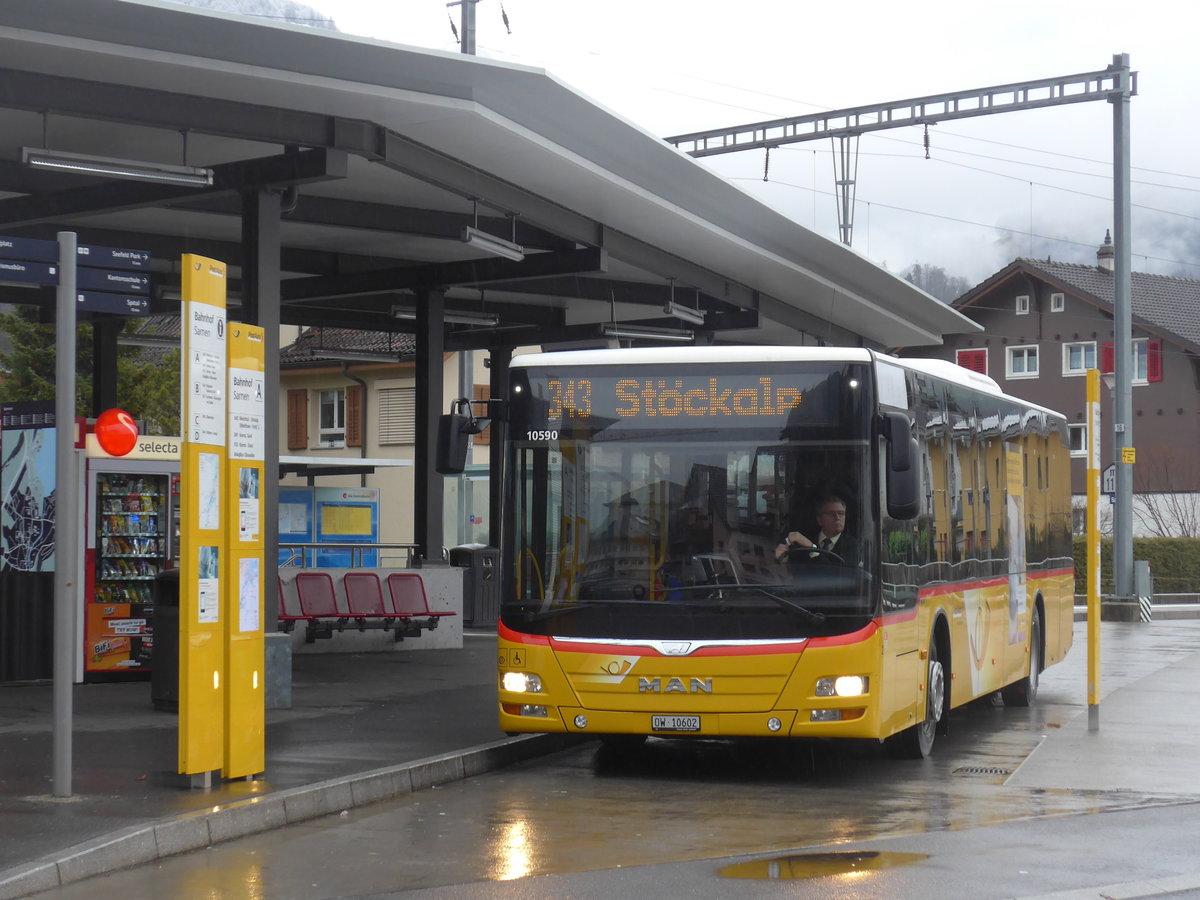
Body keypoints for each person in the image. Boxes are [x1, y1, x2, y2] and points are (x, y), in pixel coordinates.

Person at [774, 494, 859, 569]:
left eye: (841, 513)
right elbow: (793, 570)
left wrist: (812, 548)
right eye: (831, 514)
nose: (837, 518)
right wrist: (782, 558)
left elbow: (838, 576)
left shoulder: (853, 545)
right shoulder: (806, 539)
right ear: (819, 520)